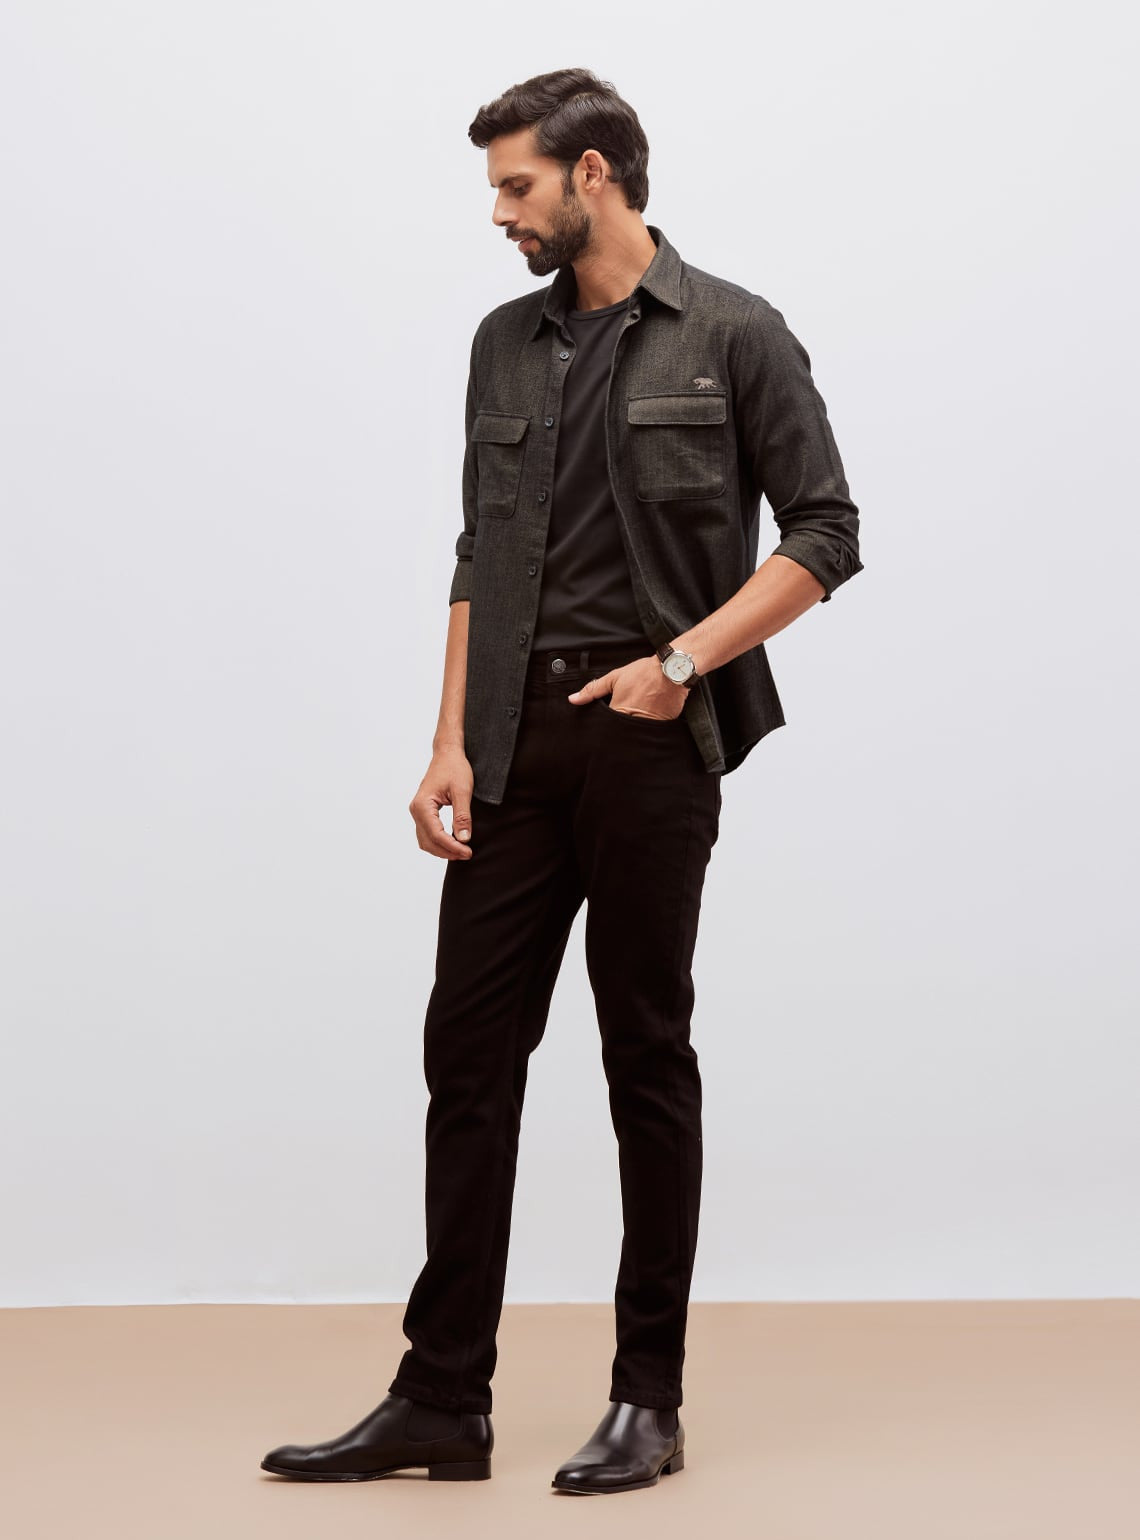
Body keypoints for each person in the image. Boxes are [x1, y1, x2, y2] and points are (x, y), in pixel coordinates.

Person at [261, 65, 863, 1497]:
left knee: (644, 1054)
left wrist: (683, 661)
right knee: (467, 1055)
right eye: (496, 190)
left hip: (653, 740)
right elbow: (480, 549)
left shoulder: (735, 333)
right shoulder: (504, 344)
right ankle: (439, 1396)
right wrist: (449, 740)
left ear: (594, 175)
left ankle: (647, 1398)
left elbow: (827, 533)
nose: (500, 215)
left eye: (517, 186)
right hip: (513, 742)